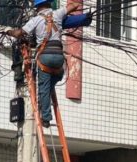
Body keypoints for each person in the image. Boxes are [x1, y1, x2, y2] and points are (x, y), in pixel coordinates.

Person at [7, 0, 83, 128]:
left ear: (38, 7)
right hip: (59, 57)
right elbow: (75, 5)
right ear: (48, 4)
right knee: (57, 76)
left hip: (45, 57)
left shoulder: (35, 20)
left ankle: (46, 118)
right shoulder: (58, 14)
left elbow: (19, 33)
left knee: (43, 88)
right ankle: (48, 91)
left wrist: (9, 31)